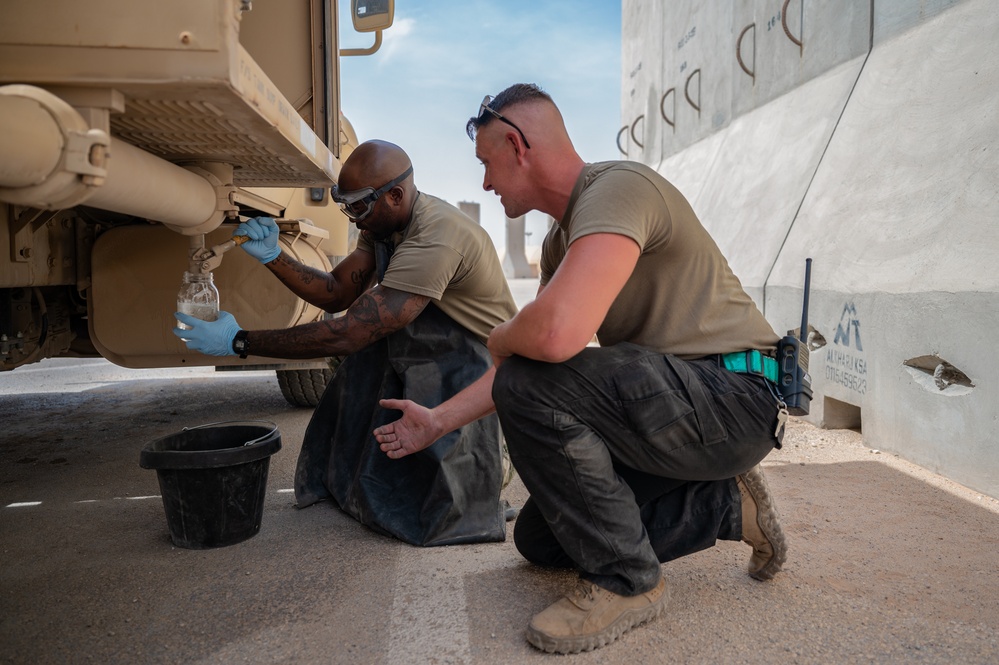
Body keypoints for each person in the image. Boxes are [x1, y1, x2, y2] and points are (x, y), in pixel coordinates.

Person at [372, 84, 789, 653]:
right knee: (543, 538)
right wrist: (438, 421)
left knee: (529, 379)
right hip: (675, 413)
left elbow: (550, 337)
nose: (486, 184)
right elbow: (535, 357)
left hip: (736, 397)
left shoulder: (618, 189)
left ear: (517, 145)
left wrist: (501, 336)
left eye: (487, 164)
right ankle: (723, 505)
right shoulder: (561, 241)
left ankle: (628, 582)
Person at [173, 139, 519, 546]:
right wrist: (272, 257)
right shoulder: (384, 225)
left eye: (357, 207)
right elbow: (339, 292)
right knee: (360, 375)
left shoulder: (436, 237)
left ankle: (495, 463)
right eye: (345, 207)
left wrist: (240, 342)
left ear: (395, 195)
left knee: (440, 501)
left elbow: (349, 331)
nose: (353, 220)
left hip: (479, 367)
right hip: (428, 348)